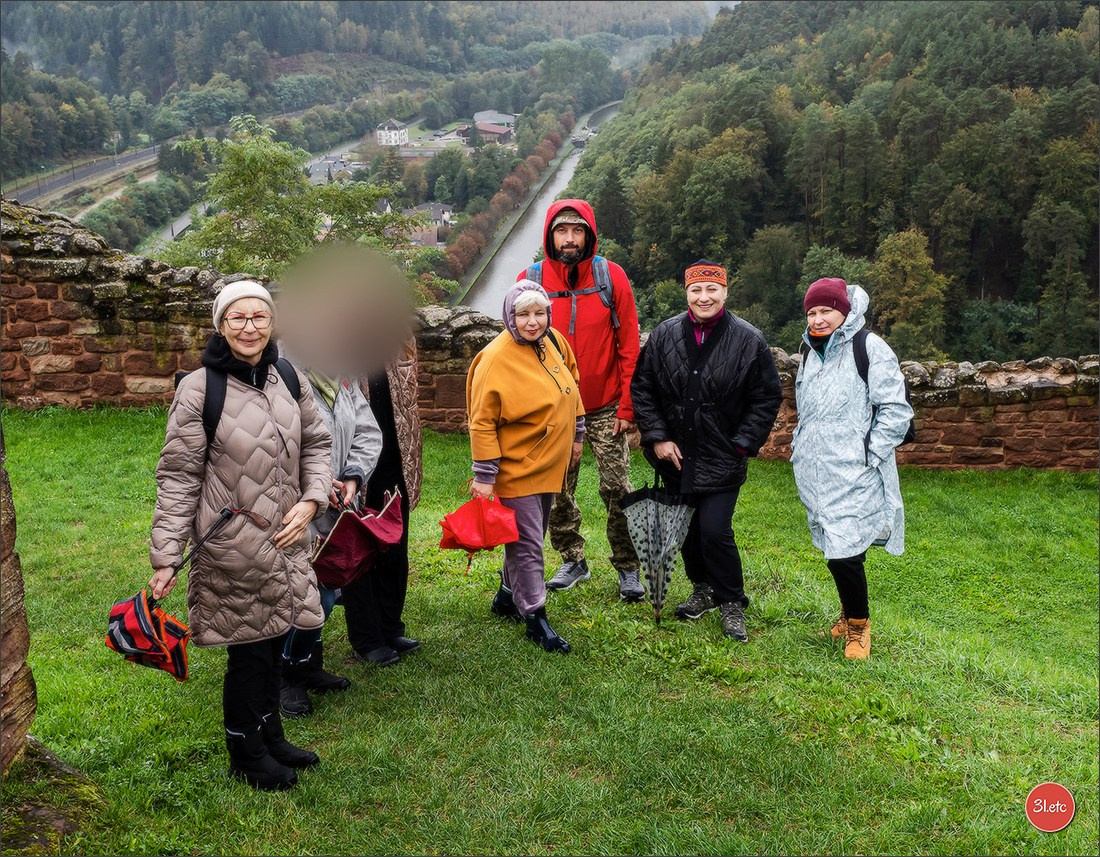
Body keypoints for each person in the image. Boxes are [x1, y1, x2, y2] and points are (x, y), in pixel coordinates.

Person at [149, 280, 332, 791]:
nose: (250, 327)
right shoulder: (199, 389)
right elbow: (179, 475)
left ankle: (270, 734)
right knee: (248, 652)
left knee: (275, 640)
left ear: (273, 322)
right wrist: (166, 555)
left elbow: (318, 440)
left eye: (259, 317)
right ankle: (245, 751)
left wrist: (312, 498)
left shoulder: (288, 376)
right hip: (235, 546)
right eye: (238, 318)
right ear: (220, 325)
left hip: (289, 536)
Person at [631, 260, 783, 643]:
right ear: (687, 293)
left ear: (725, 292)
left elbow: (766, 397)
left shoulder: (749, 340)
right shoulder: (664, 335)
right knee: (687, 532)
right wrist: (658, 436)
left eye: (712, 290)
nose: (704, 297)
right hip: (675, 455)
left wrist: (743, 443)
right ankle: (703, 589)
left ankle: (731, 601)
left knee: (715, 531)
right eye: (696, 290)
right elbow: (643, 388)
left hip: (721, 455)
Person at [517, 198, 643, 602]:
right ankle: (572, 557)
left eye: (577, 231)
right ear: (549, 235)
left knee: (617, 486)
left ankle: (627, 565)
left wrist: (628, 405)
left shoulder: (611, 277)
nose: (569, 239)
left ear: (589, 234)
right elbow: (517, 346)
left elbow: (629, 347)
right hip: (553, 409)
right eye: (561, 231)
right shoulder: (530, 279)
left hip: (605, 404)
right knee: (556, 488)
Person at [791, 278, 912, 660]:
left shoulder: (869, 348)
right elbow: (804, 407)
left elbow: (896, 410)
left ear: (844, 310)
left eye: (826, 310)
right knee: (835, 546)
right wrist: (799, 446)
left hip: (854, 470)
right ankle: (847, 612)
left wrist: (868, 454)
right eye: (812, 312)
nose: (819, 318)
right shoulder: (810, 351)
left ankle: (859, 626)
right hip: (816, 470)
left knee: (844, 550)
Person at [466, 279, 585, 653]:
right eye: (523, 315)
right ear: (509, 316)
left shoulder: (552, 342)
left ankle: (506, 596)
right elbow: (481, 421)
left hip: (551, 463)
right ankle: (535, 616)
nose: (532, 322)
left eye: (539, 313)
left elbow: (572, 385)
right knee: (529, 544)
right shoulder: (495, 358)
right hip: (517, 467)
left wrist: (577, 434)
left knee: (526, 536)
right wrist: (485, 476)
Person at [278, 363, 383, 716]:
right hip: (293, 506)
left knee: (321, 593)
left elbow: (368, 433)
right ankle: (285, 677)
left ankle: (308, 665)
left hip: (334, 503)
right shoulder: (282, 376)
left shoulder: (342, 376)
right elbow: (277, 447)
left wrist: (353, 476)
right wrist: (318, 487)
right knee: (297, 595)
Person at [341, 336, 424, 666]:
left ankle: (390, 626)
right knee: (358, 548)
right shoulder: (328, 343)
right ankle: (366, 638)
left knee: (394, 543)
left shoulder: (398, 336)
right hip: (354, 462)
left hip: (395, 457)